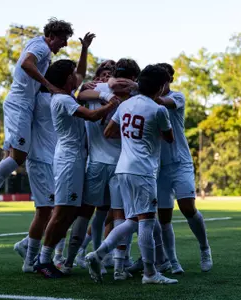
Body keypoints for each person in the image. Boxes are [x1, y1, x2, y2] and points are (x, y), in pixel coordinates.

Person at [0, 18, 74, 229]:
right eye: (63, 40)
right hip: (20, 104)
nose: (64, 45)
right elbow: (27, 63)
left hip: (21, 104)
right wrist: (48, 85)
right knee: (19, 156)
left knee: (13, 155)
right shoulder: (41, 47)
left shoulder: (39, 45)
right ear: (52, 36)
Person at [85, 65, 178, 285]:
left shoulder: (125, 105)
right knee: (146, 221)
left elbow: (109, 131)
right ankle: (149, 273)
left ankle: (98, 253)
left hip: (122, 168)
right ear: (161, 86)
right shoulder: (158, 110)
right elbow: (169, 138)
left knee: (132, 220)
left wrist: (130, 139)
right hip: (143, 170)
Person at [12, 32, 95, 273]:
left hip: (56, 158)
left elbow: (78, 76)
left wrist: (84, 50)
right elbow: (28, 68)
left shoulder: (63, 95)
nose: (76, 79)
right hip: (42, 158)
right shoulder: (44, 98)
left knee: (58, 211)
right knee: (48, 211)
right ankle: (34, 259)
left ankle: (29, 249)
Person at [32, 59, 121, 279]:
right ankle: (43, 260)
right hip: (69, 161)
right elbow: (91, 115)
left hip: (76, 159)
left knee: (70, 212)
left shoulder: (67, 96)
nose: (77, 77)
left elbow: (82, 86)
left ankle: (47, 257)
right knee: (61, 212)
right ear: (65, 79)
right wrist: (112, 103)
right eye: (73, 74)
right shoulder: (63, 99)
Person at [67, 59, 141, 280]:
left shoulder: (95, 88)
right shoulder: (136, 94)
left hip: (96, 162)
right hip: (121, 163)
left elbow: (79, 96)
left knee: (87, 212)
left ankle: (69, 261)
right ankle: (119, 266)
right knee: (121, 214)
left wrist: (103, 90)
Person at [152, 63, 212, 274]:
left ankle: (205, 248)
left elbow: (161, 100)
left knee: (188, 208)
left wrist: (140, 91)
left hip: (180, 162)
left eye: (166, 78)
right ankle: (173, 261)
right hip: (158, 167)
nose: (163, 82)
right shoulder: (146, 100)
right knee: (164, 217)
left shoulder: (177, 97)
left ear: (170, 80)